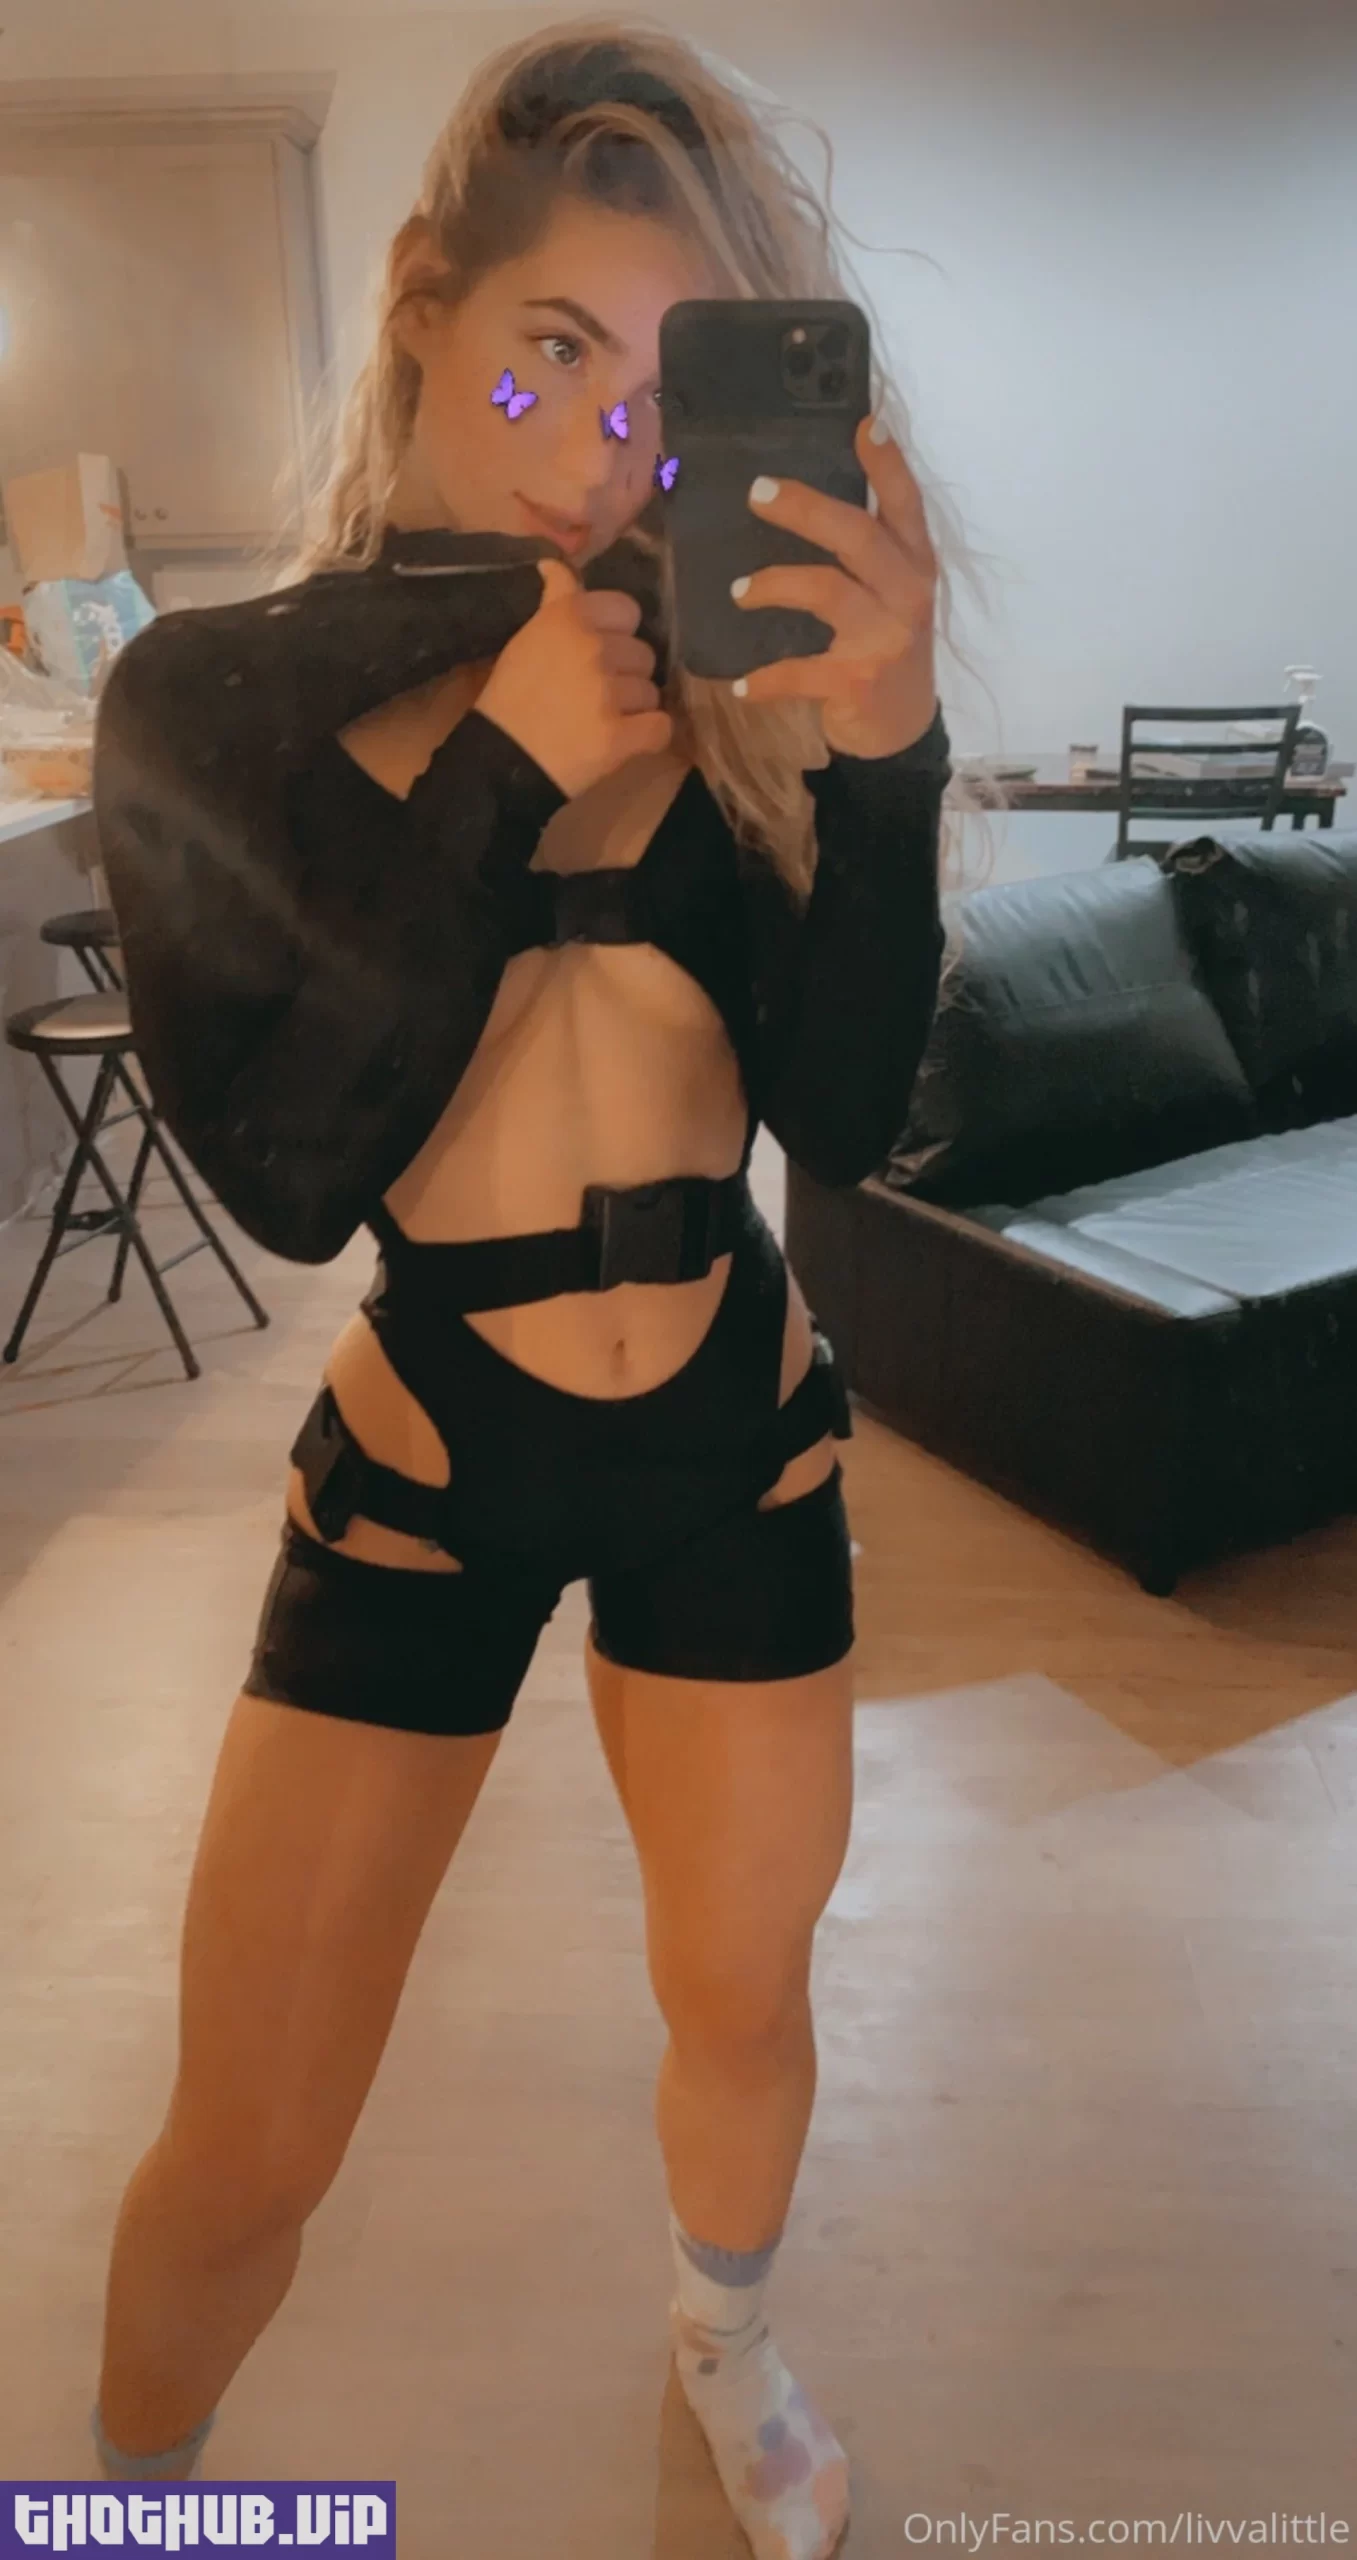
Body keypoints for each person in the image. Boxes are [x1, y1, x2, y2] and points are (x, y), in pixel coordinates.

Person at [87, 20, 970, 2557]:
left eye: (661, 387)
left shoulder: (742, 700)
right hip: (426, 1457)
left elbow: (843, 1122)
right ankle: (132, 2506)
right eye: (545, 351)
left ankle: (729, 2335)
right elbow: (289, 1169)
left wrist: (893, 752)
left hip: (734, 1441)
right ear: (422, 314)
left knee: (745, 1996)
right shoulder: (220, 703)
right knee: (252, 2133)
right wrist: (497, 763)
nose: (593, 443)